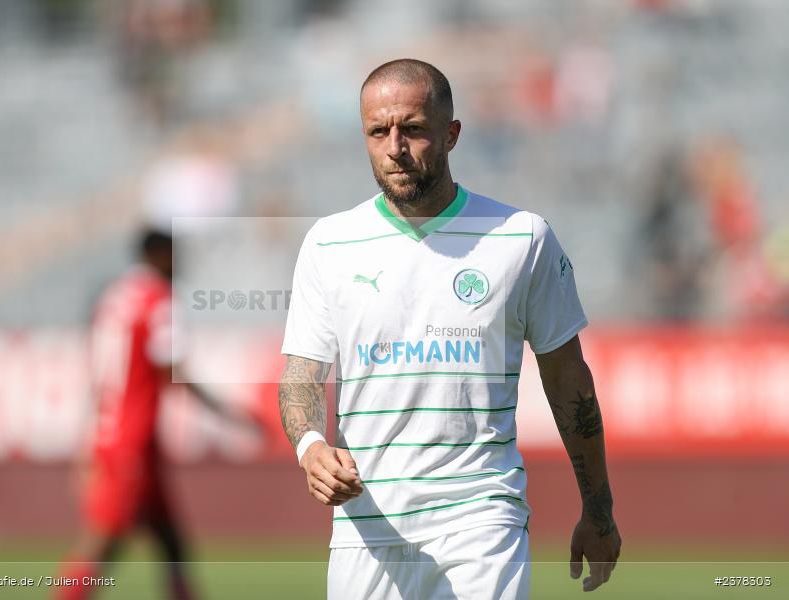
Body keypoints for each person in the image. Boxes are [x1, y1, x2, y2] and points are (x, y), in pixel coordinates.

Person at [278, 59, 621, 599]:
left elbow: (569, 381)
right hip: (367, 528)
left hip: (482, 520)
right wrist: (312, 447)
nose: (394, 147)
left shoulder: (521, 238)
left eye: (412, 129)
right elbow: (301, 375)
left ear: (451, 134)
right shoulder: (328, 244)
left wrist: (597, 509)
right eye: (377, 131)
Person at [57, 228, 251, 600]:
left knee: (170, 540)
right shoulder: (159, 300)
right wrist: (228, 413)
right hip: (133, 437)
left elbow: (102, 374)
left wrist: (88, 441)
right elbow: (171, 368)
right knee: (103, 540)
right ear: (159, 255)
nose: (182, 264)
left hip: (114, 432)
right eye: (176, 255)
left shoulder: (114, 297)